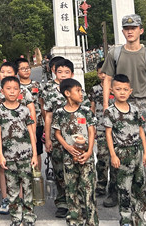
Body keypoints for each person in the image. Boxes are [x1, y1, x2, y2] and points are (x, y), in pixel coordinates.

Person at [101, 14, 146, 206]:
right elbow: (107, 79)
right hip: (118, 105)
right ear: (123, 31)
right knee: (116, 147)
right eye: (127, 29)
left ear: (140, 30)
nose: (130, 31)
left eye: (133, 28)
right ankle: (114, 192)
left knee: (144, 147)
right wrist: (106, 105)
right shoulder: (115, 54)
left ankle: (141, 191)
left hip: (141, 105)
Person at [41, 58, 90, 218]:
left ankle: (80, 203)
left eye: (66, 72)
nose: (63, 75)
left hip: (77, 139)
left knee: (79, 170)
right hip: (57, 139)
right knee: (59, 171)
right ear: (54, 72)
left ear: (72, 74)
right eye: (60, 72)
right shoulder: (51, 93)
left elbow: (88, 116)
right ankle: (62, 203)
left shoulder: (79, 92)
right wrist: (48, 139)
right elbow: (48, 117)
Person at [0, 61, 37, 215]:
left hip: (24, 146)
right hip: (6, 147)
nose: (5, 74)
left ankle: (23, 204)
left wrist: (33, 140)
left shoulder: (24, 95)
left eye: (9, 72)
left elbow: (31, 115)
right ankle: (7, 200)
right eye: (2, 72)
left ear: (15, 74)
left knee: (24, 177)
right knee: (6, 173)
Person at [103, 74, 146, 226]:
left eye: (125, 89)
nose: (122, 92)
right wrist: (113, 155)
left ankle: (139, 218)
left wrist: (145, 153)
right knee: (124, 188)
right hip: (122, 153)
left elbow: (141, 131)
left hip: (137, 152)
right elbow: (108, 134)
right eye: (118, 89)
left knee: (139, 186)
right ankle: (126, 219)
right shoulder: (110, 112)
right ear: (112, 91)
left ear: (130, 91)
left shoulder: (135, 110)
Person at [52, 78, 99, 226]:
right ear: (67, 93)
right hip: (69, 158)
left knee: (89, 190)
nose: (81, 94)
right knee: (71, 189)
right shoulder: (60, 112)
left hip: (86, 158)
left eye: (81, 91)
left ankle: (92, 221)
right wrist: (67, 147)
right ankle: (74, 220)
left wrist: (89, 151)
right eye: (77, 91)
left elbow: (91, 132)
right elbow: (57, 133)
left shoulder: (86, 111)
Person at [90, 61, 116, 198]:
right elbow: (92, 108)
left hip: (115, 128)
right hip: (101, 127)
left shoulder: (116, 88)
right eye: (101, 73)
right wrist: (92, 126)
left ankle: (114, 187)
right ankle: (101, 185)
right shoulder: (95, 89)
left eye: (106, 73)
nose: (103, 75)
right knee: (102, 157)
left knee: (115, 157)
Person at [16, 57, 44, 170]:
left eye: (28, 68)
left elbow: (42, 104)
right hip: (20, 125)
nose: (26, 70)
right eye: (23, 69)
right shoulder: (15, 87)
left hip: (37, 123)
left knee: (37, 151)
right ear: (17, 71)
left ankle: (37, 175)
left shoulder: (37, 85)